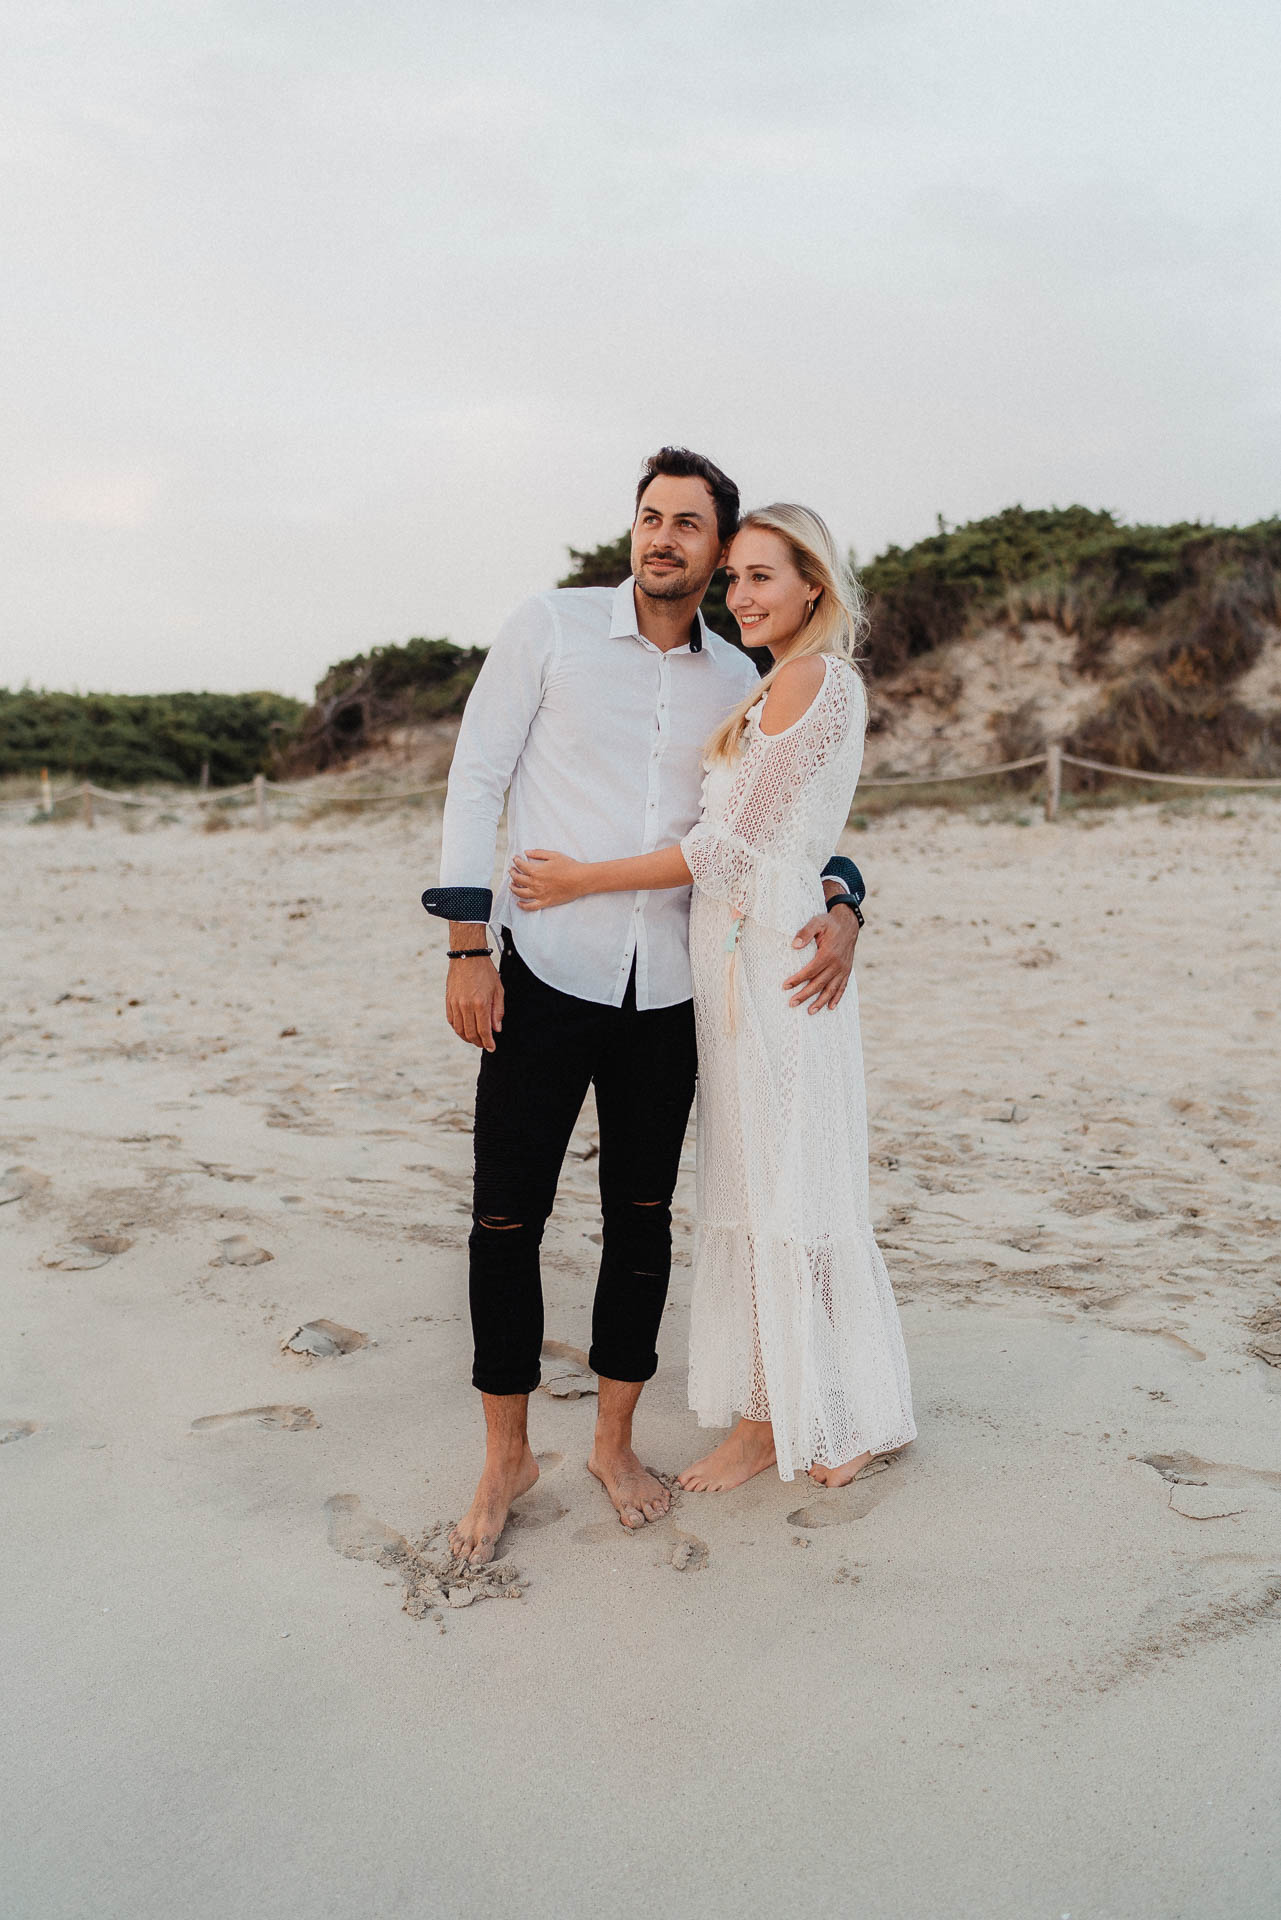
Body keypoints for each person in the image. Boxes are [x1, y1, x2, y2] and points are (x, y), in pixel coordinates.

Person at [422, 450, 866, 1565]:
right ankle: (505, 1458)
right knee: (504, 1218)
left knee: (640, 1223)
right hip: (545, 968)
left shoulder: (746, 677)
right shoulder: (551, 628)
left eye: (690, 525)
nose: (663, 537)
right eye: (650, 517)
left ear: (722, 554)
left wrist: (850, 899)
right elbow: (475, 778)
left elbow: (786, 818)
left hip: (671, 992)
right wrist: (468, 940)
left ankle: (615, 1445)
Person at [510, 505, 916, 1489]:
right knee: (764, 1184)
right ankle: (798, 1408)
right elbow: (791, 844)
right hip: (739, 956)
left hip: (767, 965)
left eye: (761, 578)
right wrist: (840, 894)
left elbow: (731, 849)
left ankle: (797, 1419)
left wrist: (581, 880)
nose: (739, 596)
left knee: (786, 1187)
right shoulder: (783, 683)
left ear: (812, 584)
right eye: (732, 579)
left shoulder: (814, 676)